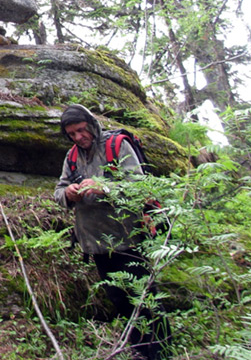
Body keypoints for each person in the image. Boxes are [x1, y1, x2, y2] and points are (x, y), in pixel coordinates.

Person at [54, 104, 171, 360]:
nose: (78, 137)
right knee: (120, 300)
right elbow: (59, 189)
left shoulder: (117, 145)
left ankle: (161, 352)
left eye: (81, 130)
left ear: (92, 124)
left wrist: (104, 188)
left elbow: (138, 186)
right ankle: (140, 352)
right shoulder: (72, 156)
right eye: (71, 134)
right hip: (97, 244)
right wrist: (68, 193)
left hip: (129, 239)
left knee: (144, 299)